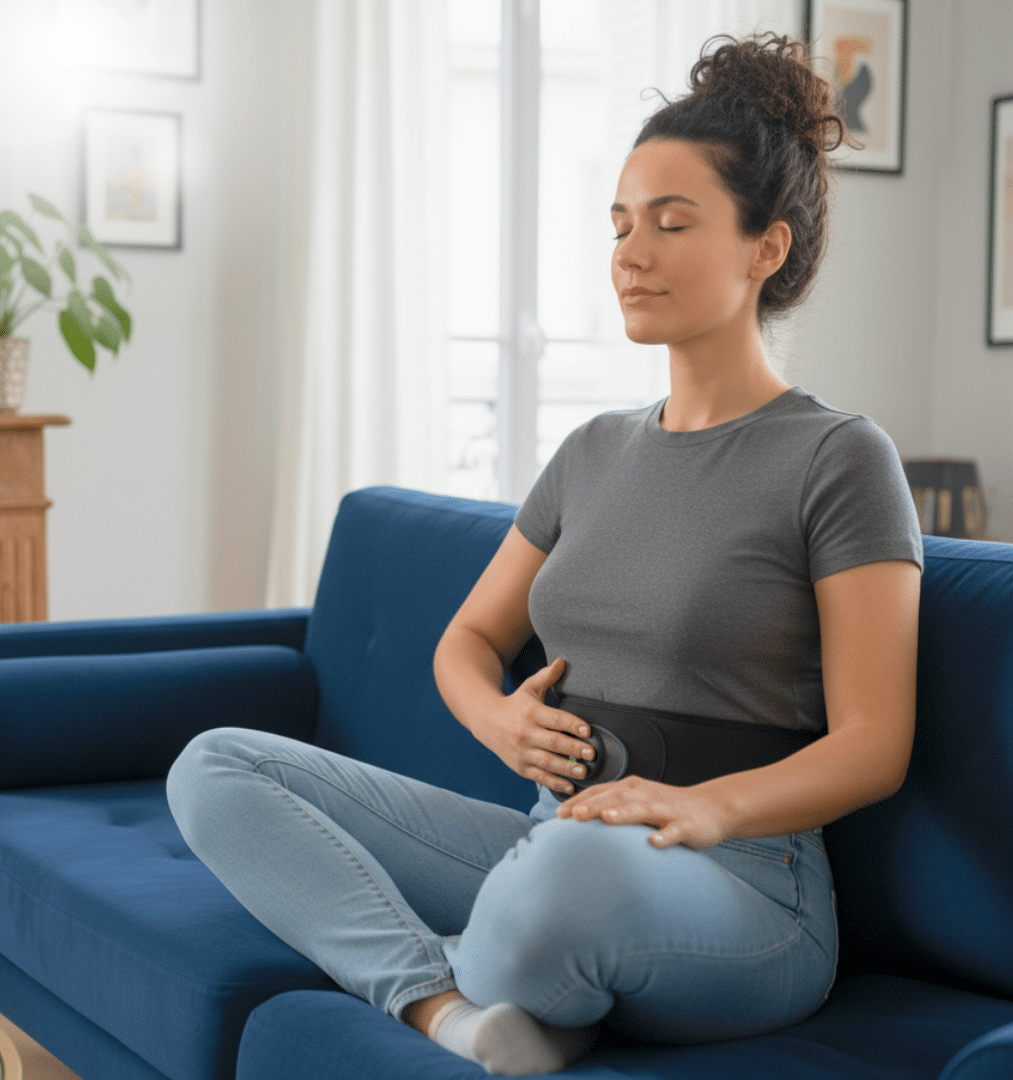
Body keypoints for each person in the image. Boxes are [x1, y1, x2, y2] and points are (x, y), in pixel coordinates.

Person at [167, 32, 923, 1077]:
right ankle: (446, 1006)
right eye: (619, 225)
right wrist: (500, 717)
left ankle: (468, 956)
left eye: (670, 222)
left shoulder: (840, 457)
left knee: (563, 881)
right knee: (216, 767)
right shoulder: (593, 450)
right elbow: (470, 640)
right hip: (551, 833)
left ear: (767, 248)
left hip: (741, 878)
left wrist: (707, 806)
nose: (630, 253)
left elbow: (876, 742)